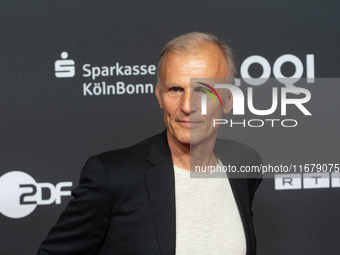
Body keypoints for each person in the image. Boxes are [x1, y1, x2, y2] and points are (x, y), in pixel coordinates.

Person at [37, 32, 262, 255]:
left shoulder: (244, 163)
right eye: (175, 89)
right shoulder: (113, 177)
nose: (187, 106)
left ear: (229, 100)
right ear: (159, 96)